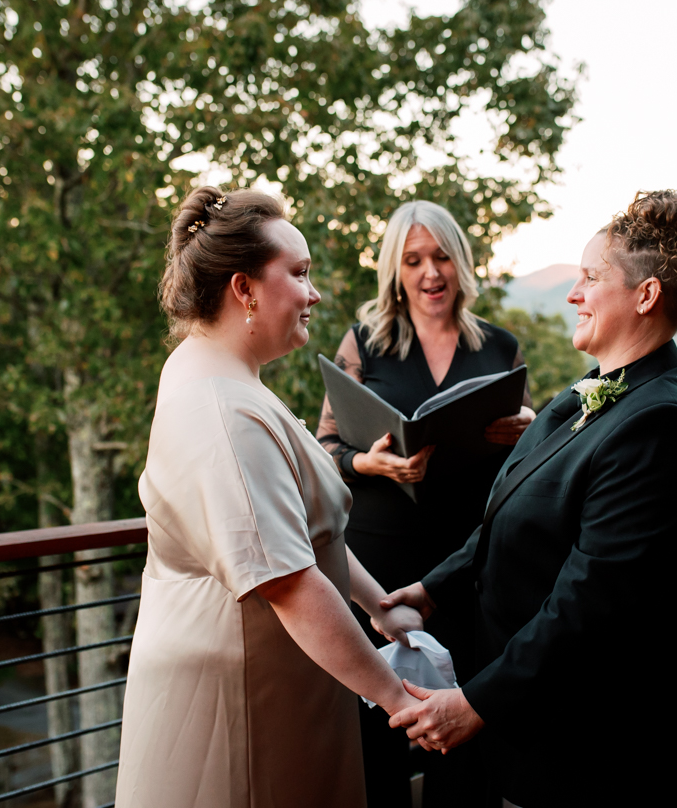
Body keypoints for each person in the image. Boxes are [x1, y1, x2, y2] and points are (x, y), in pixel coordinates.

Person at [383, 190, 677, 807]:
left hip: (615, 739)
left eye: (591, 278)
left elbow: (593, 600)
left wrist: (479, 702)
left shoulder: (662, 426)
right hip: (557, 725)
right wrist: (434, 588)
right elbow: (509, 510)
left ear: (645, 296)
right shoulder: (588, 394)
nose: (574, 294)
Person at [115, 186, 423, 808]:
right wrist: (398, 700)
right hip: (239, 697)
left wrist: (378, 603)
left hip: (281, 678)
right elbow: (287, 579)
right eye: (300, 274)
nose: (314, 294)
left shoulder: (226, 374)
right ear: (244, 288)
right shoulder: (218, 410)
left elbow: (305, 532)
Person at [316, 200, 535, 807]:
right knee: (375, 728)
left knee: (465, 736)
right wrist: (370, 462)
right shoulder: (364, 344)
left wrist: (532, 424)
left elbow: (533, 462)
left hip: (469, 568)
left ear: (460, 262)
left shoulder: (501, 347)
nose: (430, 273)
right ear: (395, 268)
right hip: (379, 570)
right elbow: (323, 447)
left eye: (441, 256)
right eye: (413, 260)